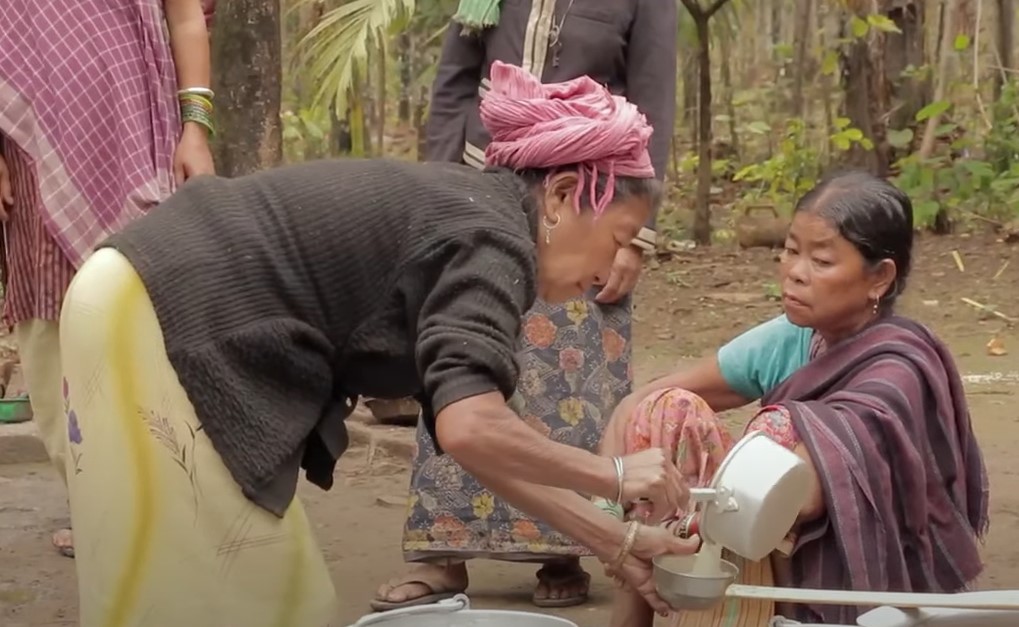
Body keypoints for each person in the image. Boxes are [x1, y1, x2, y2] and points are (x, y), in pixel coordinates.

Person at [58, 61, 698, 627]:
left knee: (264, 592)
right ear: (561, 194)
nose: (616, 265)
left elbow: (482, 444)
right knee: (238, 598)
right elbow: (471, 430)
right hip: (161, 309)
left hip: (135, 295)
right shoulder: (495, 238)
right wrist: (612, 475)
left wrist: (616, 541)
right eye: (621, 235)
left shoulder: (479, 212)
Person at [374, 0, 678, 610]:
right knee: (460, 367)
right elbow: (455, 77)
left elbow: (653, 97)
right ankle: (444, 551)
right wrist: (444, 189)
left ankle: (561, 548)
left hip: (589, 197)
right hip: (491, 180)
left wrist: (633, 237)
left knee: (569, 379)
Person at [597, 171, 990, 627]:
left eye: (821, 261)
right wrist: (611, 513)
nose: (794, 273)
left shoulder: (897, 371)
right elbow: (639, 402)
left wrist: (683, 526)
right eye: (789, 251)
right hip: (736, 529)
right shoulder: (795, 336)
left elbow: (795, 496)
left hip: (845, 565)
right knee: (666, 408)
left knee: (777, 435)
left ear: (879, 277)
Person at [0, 0, 214, 558]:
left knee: (149, 314)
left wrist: (197, 129)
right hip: (31, 155)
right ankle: (96, 504)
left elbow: (186, 17)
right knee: (51, 322)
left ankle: (169, 495)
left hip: (141, 137)